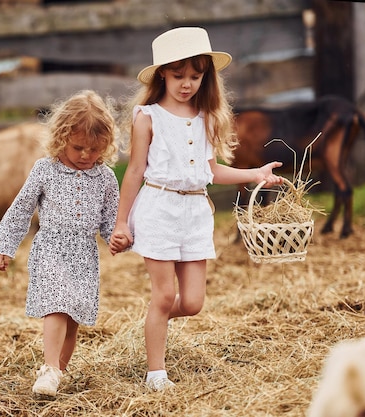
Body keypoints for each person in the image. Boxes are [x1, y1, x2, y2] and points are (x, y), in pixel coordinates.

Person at [108, 27, 284, 391]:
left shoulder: (207, 117)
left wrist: (255, 174)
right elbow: (135, 172)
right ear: (162, 75)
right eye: (178, 76)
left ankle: (151, 323)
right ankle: (156, 372)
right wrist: (121, 222)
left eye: (195, 76)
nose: (186, 84)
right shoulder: (148, 117)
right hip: (159, 208)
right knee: (164, 296)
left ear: (206, 76)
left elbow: (212, 170)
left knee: (192, 302)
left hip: (194, 214)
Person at [0, 90, 127, 398]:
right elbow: (21, 209)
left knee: (73, 317)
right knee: (56, 304)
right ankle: (49, 369)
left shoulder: (106, 178)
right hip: (51, 248)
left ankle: (58, 374)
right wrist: (5, 246)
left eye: (94, 149)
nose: (85, 155)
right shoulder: (46, 169)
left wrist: (120, 239)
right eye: (78, 147)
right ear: (61, 137)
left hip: (84, 253)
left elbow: (111, 222)